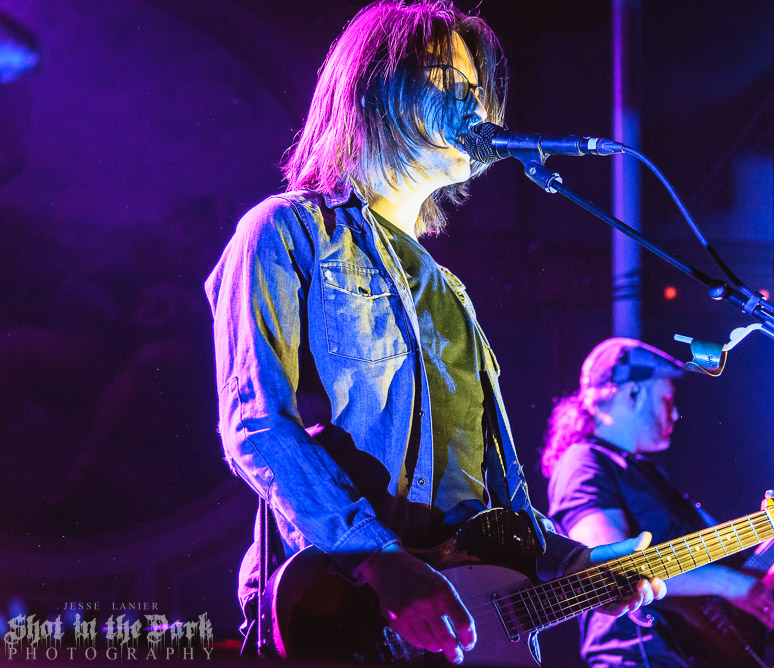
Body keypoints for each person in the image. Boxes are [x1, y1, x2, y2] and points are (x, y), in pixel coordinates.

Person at [205, 2, 665, 663]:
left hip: (459, 629)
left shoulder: (450, 293)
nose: (472, 105)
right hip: (338, 613)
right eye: (446, 80)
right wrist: (380, 561)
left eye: (475, 90)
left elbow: (490, 506)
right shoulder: (284, 233)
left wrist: (575, 562)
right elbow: (255, 425)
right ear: (373, 88)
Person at [543, 338, 774, 667]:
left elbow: (708, 590)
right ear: (632, 393)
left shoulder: (645, 474)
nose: (675, 413)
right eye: (666, 399)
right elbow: (610, 569)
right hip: (638, 657)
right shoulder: (584, 463)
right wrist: (731, 583)